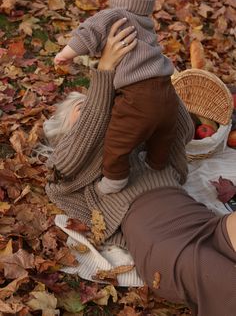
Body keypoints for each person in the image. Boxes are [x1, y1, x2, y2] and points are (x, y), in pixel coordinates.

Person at [45, 20, 236, 316]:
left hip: (204, 222)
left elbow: (180, 128)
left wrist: (154, 70)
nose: (100, 108)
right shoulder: (73, 173)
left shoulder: (146, 150)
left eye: (105, 106)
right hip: (164, 247)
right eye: (85, 108)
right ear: (65, 135)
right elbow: (85, 139)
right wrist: (104, 75)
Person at [53, 0, 178, 195]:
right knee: (163, 134)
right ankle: (157, 163)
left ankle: (115, 179)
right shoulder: (147, 24)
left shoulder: (114, 15)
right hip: (166, 90)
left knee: (118, 140)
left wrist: (65, 54)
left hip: (138, 96)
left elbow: (87, 33)